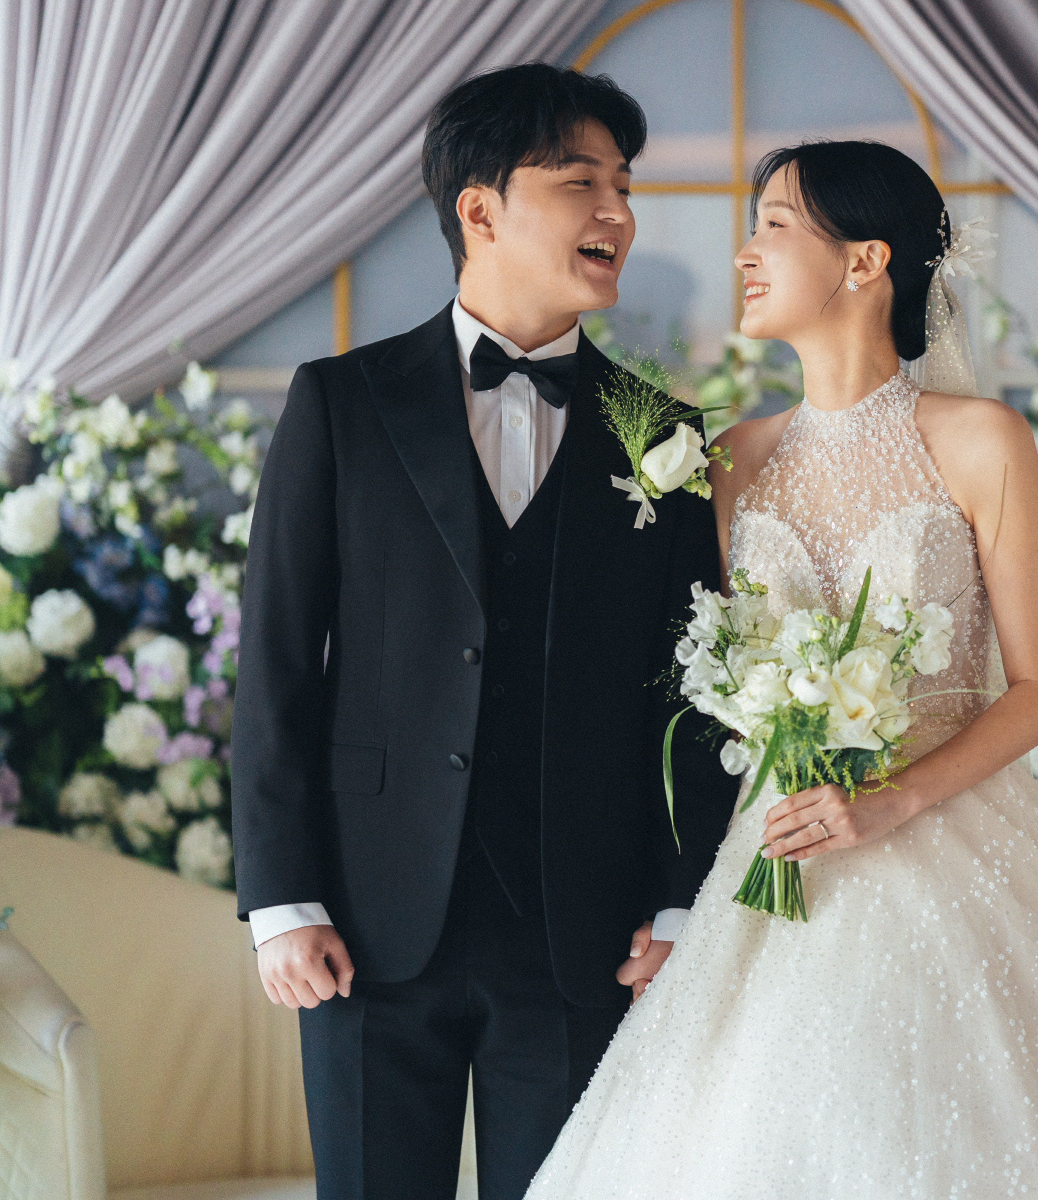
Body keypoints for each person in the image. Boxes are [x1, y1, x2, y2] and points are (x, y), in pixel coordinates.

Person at [523, 140, 1038, 1198]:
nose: (746, 252)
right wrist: (671, 905)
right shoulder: (729, 461)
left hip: (952, 846)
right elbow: (690, 709)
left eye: (774, 225)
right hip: (775, 857)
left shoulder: (982, 441)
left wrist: (891, 800)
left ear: (864, 260)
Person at [228, 63, 736, 1200]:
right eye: (581, 182)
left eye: (624, 184)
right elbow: (275, 670)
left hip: (584, 931)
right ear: (480, 209)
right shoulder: (341, 404)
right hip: (364, 923)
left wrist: (679, 904)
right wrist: (282, 899)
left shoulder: (661, 433)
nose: (617, 212)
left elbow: (694, 690)